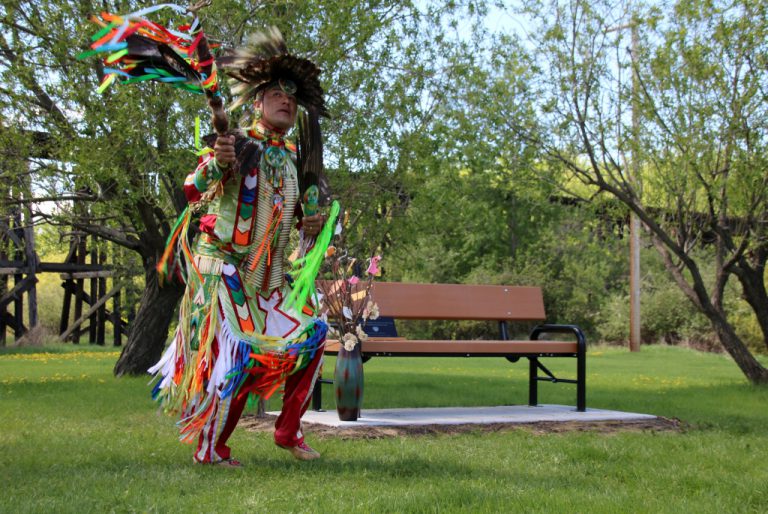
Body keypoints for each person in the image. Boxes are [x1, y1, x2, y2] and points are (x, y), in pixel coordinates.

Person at [149, 28, 330, 467]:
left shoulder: (289, 159)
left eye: (292, 97)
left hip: (266, 281)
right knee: (240, 355)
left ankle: (288, 430)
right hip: (223, 271)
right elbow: (193, 190)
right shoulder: (237, 144)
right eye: (276, 94)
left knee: (314, 333)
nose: (286, 101)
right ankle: (210, 447)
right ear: (256, 101)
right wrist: (217, 162)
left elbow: (287, 232)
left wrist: (308, 225)